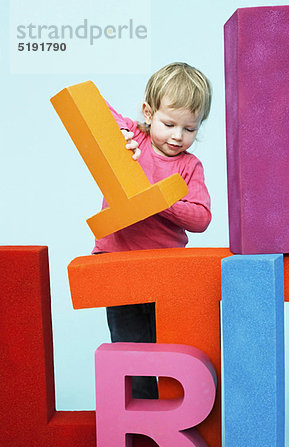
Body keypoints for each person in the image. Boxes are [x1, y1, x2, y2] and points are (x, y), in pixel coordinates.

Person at [92, 62, 213, 399]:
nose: (178, 136)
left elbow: (202, 218)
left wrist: (161, 201)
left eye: (190, 129)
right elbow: (97, 110)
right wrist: (119, 135)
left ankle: (172, 423)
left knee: (171, 355)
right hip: (120, 268)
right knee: (131, 356)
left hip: (166, 275)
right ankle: (139, 430)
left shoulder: (190, 166)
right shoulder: (135, 139)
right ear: (148, 112)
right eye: (169, 123)